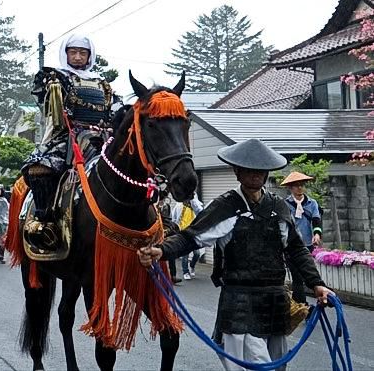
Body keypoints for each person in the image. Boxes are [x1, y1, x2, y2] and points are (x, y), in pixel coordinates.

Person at [138, 139, 334, 371]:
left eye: (259, 170)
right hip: (239, 303)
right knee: (257, 367)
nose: (254, 175)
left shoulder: (278, 207)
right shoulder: (225, 206)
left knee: (278, 365)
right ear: (236, 171)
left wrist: (317, 284)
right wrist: (162, 250)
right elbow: (191, 237)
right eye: (248, 170)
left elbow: (296, 249)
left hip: (275, 301)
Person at [21, 33, 118, 251]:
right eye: (73, 52)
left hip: (102, 137)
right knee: (39, 169)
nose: (77, 57)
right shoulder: (58, 77)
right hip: (68, 136)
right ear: (66, 54)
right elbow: (44, 101)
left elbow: (116, 108)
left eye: (82, 53)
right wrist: (52, 87)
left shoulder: (102, 83)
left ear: (89, 56)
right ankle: (44, 219)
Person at [281, 172, 323, 305]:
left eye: (301, 185)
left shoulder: (312, 203)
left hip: (307, 244)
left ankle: (304, 303)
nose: (299, 188)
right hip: (291, 246)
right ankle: (303, 306)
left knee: (308, 275)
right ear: (290, 188)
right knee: (297, 277)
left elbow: (316, 220)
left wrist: (317, 234)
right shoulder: (285, 204)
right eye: (296, 186)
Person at [173, 193, 204, 280]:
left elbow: (201, 214)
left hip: (194, 233)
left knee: (197, 254)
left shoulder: (196, 206)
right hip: (183, 233)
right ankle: (185, 272)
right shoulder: (179, 206)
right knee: (185, 254)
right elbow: (174, 218)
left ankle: (192, 266)